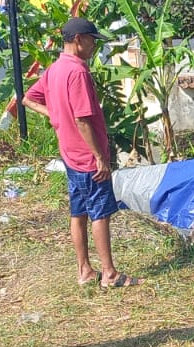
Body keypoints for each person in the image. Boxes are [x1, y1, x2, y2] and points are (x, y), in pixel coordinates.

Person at [24, 16, 139, 288]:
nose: (93, 47)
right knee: (100, 213)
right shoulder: (77, 72)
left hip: (70, 154)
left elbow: (29, 99)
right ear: (78, 40)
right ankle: (109, 274)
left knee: (79, 213)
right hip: (87, 156)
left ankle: (85, 270)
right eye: (91, 41)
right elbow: (83, 119)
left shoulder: (54, 69)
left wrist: (55, 115)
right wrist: (99, 156)